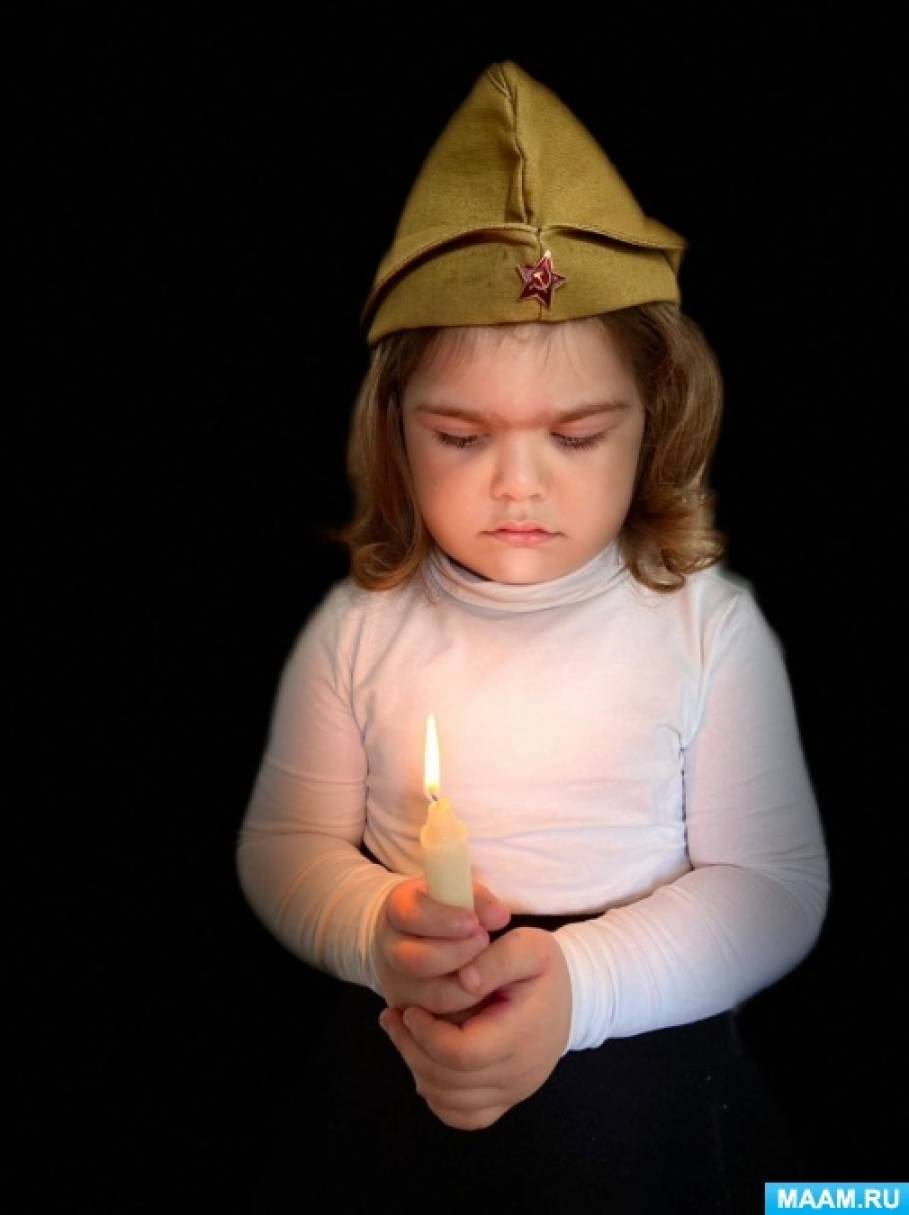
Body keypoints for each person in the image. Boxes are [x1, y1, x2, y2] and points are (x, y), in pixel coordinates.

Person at [236, 60, 829, 1212]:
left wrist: (584, 987)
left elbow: (771, 886)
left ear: (655, 420)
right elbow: (284, 846)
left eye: (577, 434)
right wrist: (375, 931)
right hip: (403, 1054)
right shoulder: (360, 625)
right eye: (461, 437)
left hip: (647, 1065)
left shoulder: (708, 626)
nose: (518, 484)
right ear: (395, 430)